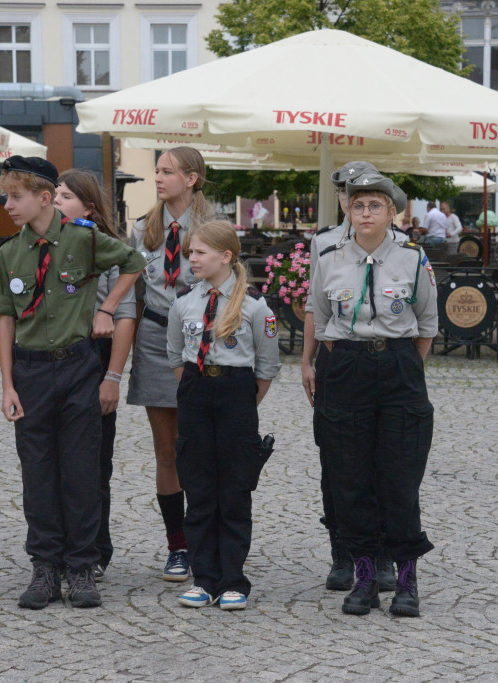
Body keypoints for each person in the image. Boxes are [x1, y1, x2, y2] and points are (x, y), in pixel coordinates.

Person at [0, 156, 146, 609]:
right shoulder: (9, 253)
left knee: (80, 471)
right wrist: (7, 385)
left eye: (15, 197)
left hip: (79, 367)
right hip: (31, 371)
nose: (7, 205)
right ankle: (45, 567)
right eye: (6, 197)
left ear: (43, 198)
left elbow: (134, 261)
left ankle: (81, 566)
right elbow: (4, 318)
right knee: (37, 472)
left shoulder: (83, 240)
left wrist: (107, 306)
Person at [310, 172, 438, 618]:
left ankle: (406, 581)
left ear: (392, 213)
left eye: (375, 206)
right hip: (347, 366)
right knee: (351, 478)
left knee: (399, 477)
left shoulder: (413, 259)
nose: (365, 213)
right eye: (358, 205)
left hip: (400, 368)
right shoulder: (328, 258)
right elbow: (324, 321)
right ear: (348, 210)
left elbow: (426, 325)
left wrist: (396, 361)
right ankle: (364, 579)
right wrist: (355, 358)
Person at [302, 160, 407, 594]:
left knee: (383, 460)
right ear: (341, 199)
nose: (353, 201)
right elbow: (313, 305)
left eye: (363, 195)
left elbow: (420, 318)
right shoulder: (323, 244)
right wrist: (307, 360)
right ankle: (342, 552)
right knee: (337, 459)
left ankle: (381, 555)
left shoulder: (400, 244)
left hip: (382, 363)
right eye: (346, 193)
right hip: (335, 359)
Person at [167, 220, 280, 610]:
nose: (191, 258)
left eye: (199, 252)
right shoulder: (184, 302)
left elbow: (266, 367)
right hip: (196, 391)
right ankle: (204, 578)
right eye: (190, 252)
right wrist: (198, 389)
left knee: (234, 490)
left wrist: (243, 403)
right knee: (198, 490)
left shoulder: (254, 306)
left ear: (225, 256)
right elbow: (175, 354)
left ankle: (234, 579)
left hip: (236, 394)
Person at [126, 146, 215, 582]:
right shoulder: (144, 229)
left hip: (204, 339)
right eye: (157, 171)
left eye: (167, 172)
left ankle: (207, 539)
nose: (158, 179)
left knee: (200, 447)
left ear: (192, 178)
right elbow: (134, 294)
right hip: (156, 337)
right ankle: (177, 546)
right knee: (166, 450)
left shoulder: (214, 229)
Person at [52, 168, 136, 580]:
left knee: (94, 462)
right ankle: (55, 548)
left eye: (65, 197)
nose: (55, 202)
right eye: (53, 195)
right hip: (49, 358)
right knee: (51, 461)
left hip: (95, 355)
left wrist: (113, 378)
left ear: (88, 206)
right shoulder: (41, 244)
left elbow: (124, 317)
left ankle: (94, 549)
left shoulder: (108, 249)